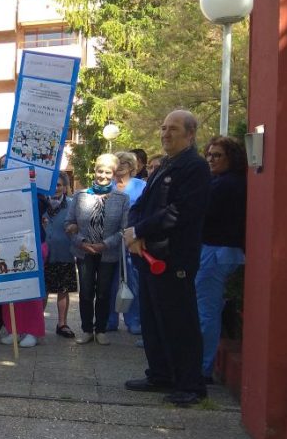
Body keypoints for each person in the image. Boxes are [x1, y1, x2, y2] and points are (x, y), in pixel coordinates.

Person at [123, 110, 211, 406]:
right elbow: (143, 204)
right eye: (163, 128)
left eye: (173, 129)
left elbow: (180, 212)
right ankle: (160, 374)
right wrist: (132, 231)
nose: (165, 134)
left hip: (174, 259)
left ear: (190, 134)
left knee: (179, 322)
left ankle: (190, 385)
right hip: (148, 256)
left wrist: (139, 230)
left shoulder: (195, 167)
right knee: (152, 320)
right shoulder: (164, 166)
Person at [196, 136, 247, 384]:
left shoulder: (226, 185)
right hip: (221, 251)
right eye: (209, 154)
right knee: (210, 310)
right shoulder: (226, 182)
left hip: (217, 251)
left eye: (217, 155)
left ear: (231, 158)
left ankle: (202, 369)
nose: (211, 159)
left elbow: (201, 214)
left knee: (207, 311)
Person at [66, 154, 130, 345]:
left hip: (108, 253)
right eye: (99, 171)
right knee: (86, 292)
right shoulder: (80, 195)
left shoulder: (122, 199)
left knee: (104, 292)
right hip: (84, 251)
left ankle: (100, 329)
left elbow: (124, 230)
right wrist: (82, 241)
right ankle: (86, 329)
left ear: (114, 174)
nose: (102, 175)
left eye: (107, 172)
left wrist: (105, 244)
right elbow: (69, 224)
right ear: (94, 171)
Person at [106, 151, 148, 334]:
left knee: (133, 281)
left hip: (133, 241)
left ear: (132, 166)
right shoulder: (107, 186)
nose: (120, 165)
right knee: (109, 282)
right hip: (111, 241)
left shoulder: (142, 186)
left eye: (124, 162)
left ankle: (134, 321)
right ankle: (110, 320)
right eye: (117, 162)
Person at [43, 173, 77, 338]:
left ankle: (62, 324)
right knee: (43, 290)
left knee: (63, 289)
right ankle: (37, 323)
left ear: (65, 187)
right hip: (44, 254)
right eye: (53, 185)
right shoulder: (40, 204)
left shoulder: (71, 205)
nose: (56, 188)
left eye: (59, 185)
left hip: (64, 252)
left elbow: (78, 224)